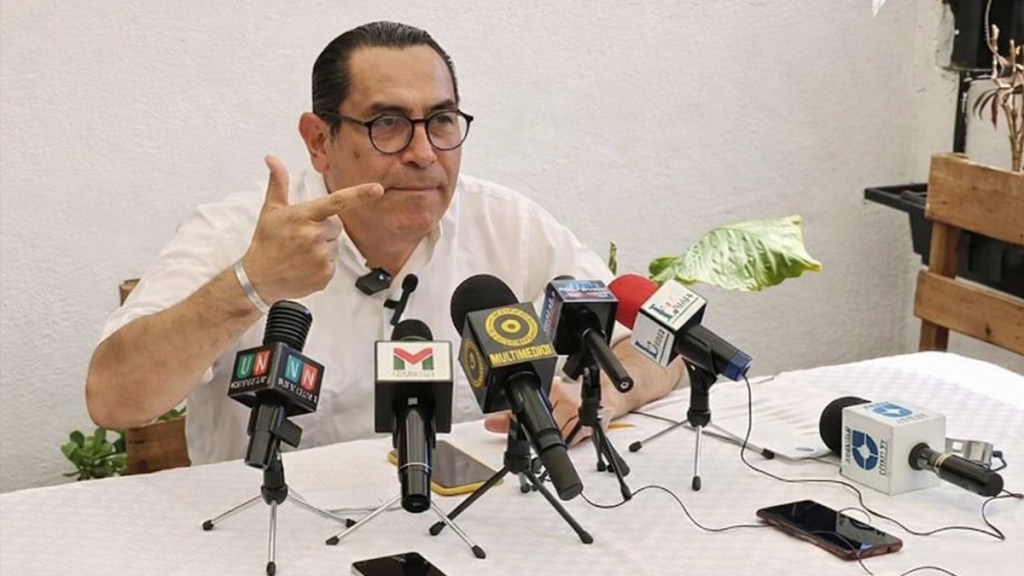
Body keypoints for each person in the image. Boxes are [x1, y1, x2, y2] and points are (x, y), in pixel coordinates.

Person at [85, 21, 684, 466]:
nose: (423, 153)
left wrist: (596, 393)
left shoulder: (509, 225)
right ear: (319, 140)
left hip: (471, 524)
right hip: (277, 531)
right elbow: (114, 400)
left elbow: (661, 349)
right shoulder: (234, 232)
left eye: (442, 122)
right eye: (388, 124)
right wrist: (251, 283)